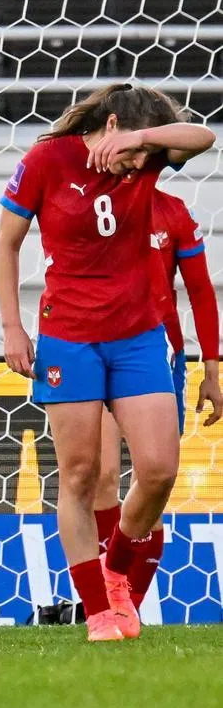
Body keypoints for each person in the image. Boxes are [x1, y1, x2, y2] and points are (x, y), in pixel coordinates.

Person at [0, 84, 215, 641]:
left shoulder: (147, 156)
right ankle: (97, 609)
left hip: (138, 336)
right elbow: (7, 244)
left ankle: (116, 569)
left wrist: (143, 141)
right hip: (68, 337)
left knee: (159, 469)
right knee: (80, 474)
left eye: (146, 157)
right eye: (133, 150)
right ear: (109, 124)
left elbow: (203, 137)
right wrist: (12, 326)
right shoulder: (47, 159)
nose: (139, 166)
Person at [94, 187, 222, 608]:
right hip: (96, 346)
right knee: (101, 476)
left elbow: (200, 290)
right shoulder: (93, 204)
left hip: (158, 353)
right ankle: (104, 602)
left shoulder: (172, 211)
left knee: (151, 482)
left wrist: (211, 369)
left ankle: (128, 604)